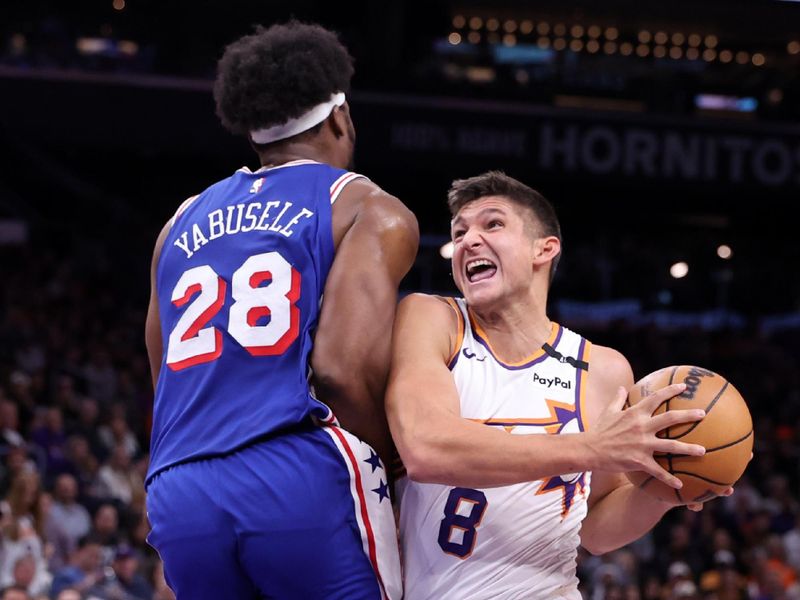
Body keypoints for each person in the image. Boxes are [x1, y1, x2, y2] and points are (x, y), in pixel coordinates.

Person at [144, 20, 418, 600]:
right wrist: (389, 463)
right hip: (293, 471)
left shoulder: (178, 222)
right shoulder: (367, 208)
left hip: (179, 483)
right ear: (342, 117)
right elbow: (341, 371)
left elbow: (162, 370)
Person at [386, 171, 725, 599]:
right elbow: (425, 447)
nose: (468, 240)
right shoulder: (432, 317)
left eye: (492, 224)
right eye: (460, 231)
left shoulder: (601, 368)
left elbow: (598, 530)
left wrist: (665, 491)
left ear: (543, 249)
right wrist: (591, 447)